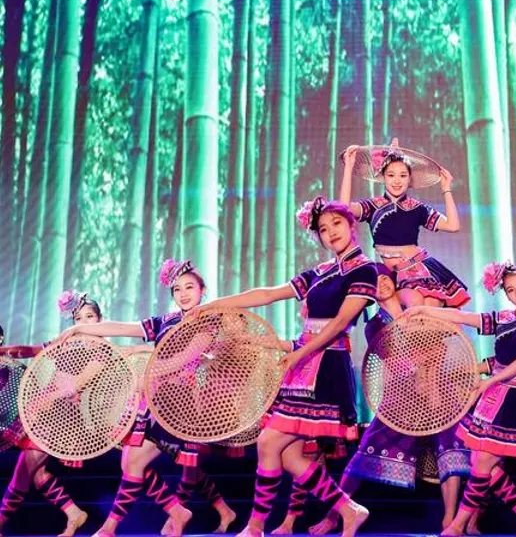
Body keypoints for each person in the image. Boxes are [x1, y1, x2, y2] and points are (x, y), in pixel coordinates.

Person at [193, 197, 375, 537]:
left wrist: (298, 352)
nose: (331, 232)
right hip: (302, 364)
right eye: (323, 229)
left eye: (337, 224)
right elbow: (267, 294)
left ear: (352, 226)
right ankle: (349, 510)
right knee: (290, 457)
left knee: (268, 441)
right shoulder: (320, 273)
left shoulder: (365, 270)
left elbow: (339, 324)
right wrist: (214, 305)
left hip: (326, 366)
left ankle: (255, 526)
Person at [57, 260, 238, 537]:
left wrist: (150, 372)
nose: (183, 294)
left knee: (147, 463)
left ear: (203, 289)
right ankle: (173, 514)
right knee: (132, 462)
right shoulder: (166, 321)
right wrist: (80, 330)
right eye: (177, 289)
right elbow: (123, 328)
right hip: (156, 400)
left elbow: (187, 356)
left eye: (189, 287)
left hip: (181, 402)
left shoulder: (208, 319)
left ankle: (111, 528)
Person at [307, 264, 470, 535]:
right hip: (400, 398)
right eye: (374, 282)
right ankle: (334, 516)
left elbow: (443, 338)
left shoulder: (416, 307)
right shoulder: (375, 325)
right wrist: (420, 359)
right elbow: (394, 361)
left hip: (438, 391)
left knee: (449, 451)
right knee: (363, 454)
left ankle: (450, 521)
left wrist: (428, 368)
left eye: (384, 278)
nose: (380, 284)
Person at [407, 261, 516, 537]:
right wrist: (426, 310)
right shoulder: (507, 319)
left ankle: (458, 525)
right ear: (505, 294)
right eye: (510, 290)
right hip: (493, 398)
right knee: (481, 463)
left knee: (483, 463)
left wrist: (491, 380)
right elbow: (466, 318)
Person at [0, 292, 94, 537]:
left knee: (21, 477)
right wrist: (6, 350)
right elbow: (32, 350)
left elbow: (78, 384)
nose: (84, 322)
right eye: (78, 318)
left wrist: (47, 399)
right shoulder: (67, 343)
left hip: (63, 420)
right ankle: (74, 513)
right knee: (37, 474)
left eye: (90, 316)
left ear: (100, 319)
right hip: (46, 414)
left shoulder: (100, 351)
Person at [338, 141, 469, 308]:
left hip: (422, 269)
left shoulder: (417, 208)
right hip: (395, 277)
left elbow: (453, 225)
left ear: (409, 178)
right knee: (415, 305)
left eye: (403, 175)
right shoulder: (373, 206)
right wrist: (349, 169)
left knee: (430, 308)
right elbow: (343, 209)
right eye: (391, 175)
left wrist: (446, 189)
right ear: (383, 177)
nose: (397, 181)